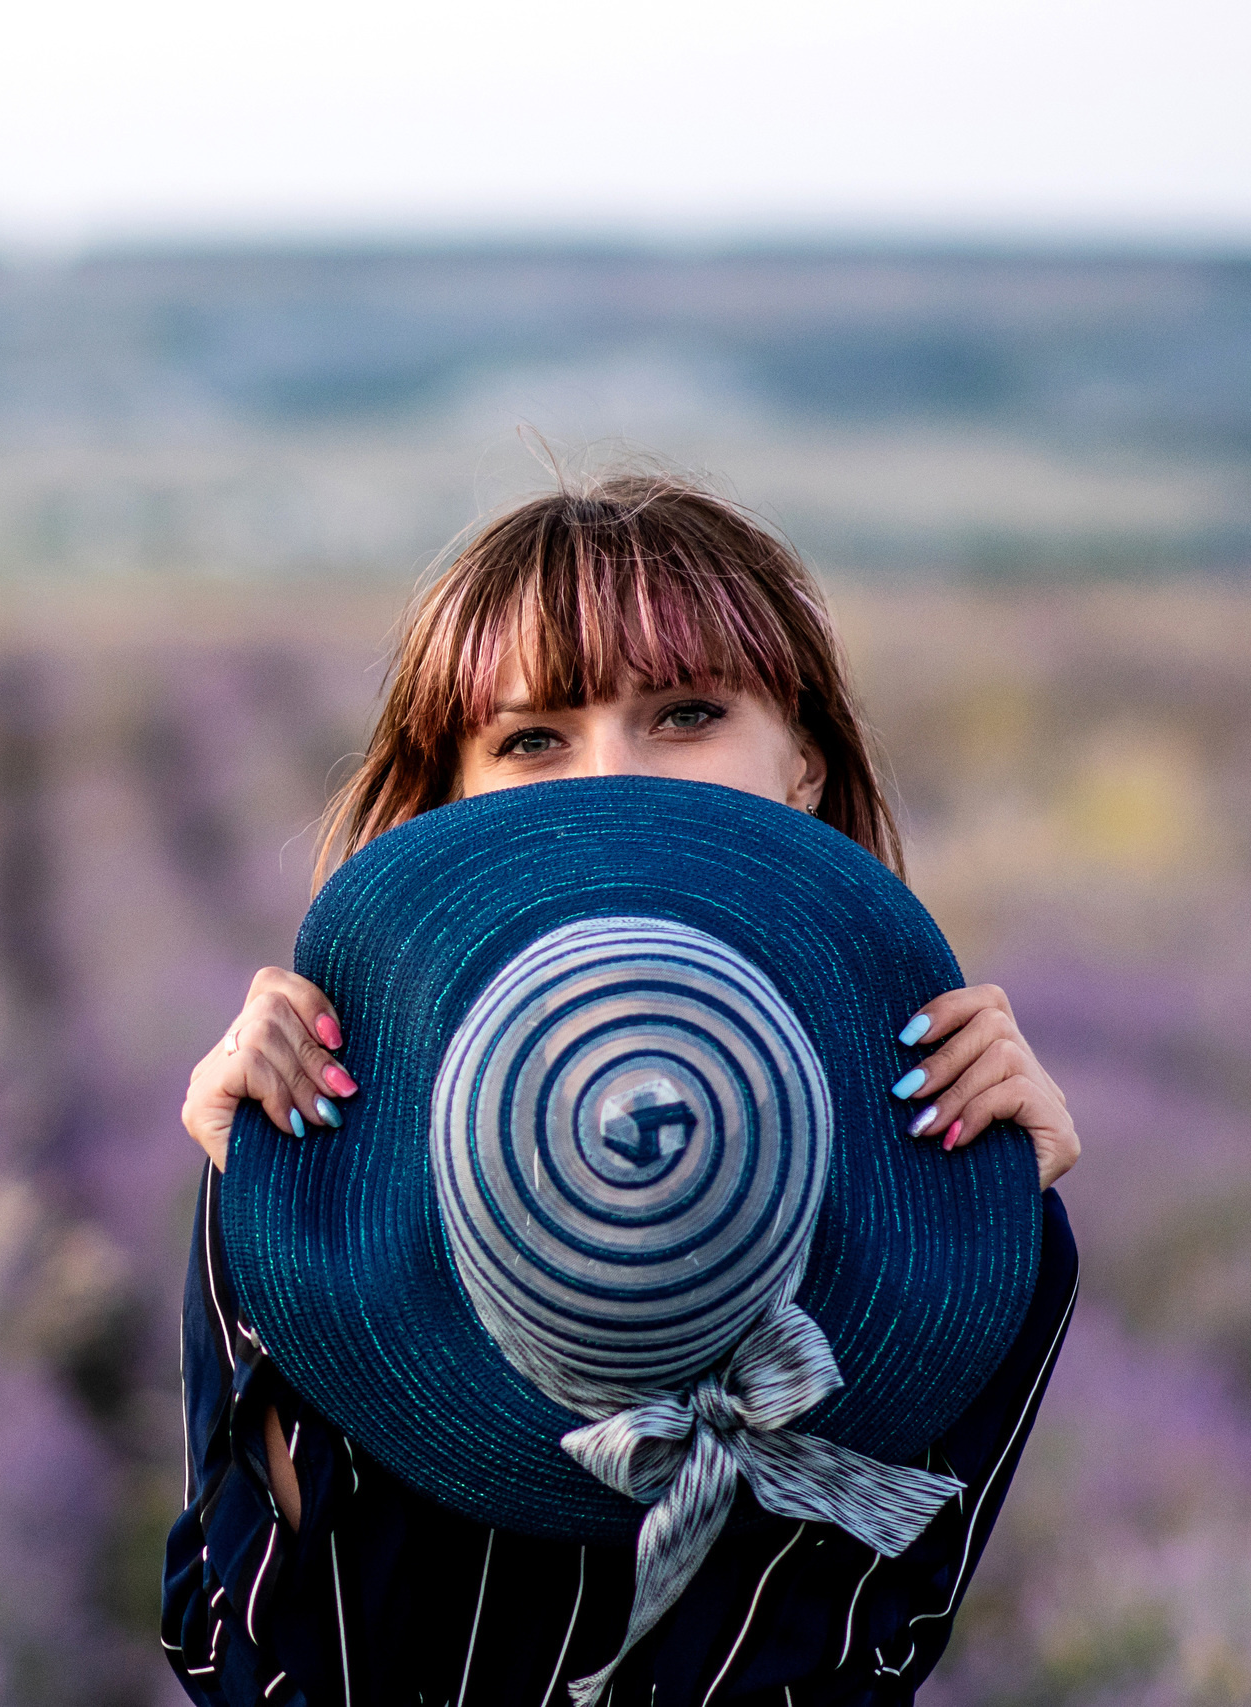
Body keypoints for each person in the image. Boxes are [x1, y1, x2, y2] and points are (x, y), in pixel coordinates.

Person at [165, 472, 1081, 1706]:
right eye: (531, 739)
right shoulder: (319, 1152)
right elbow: (246, 1660)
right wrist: (279, 1247)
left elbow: (849, 1668)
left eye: (686, 712)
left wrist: (991, 1222)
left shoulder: (951, 1200)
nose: (610, 779)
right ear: (450, 799)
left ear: (803, 761)